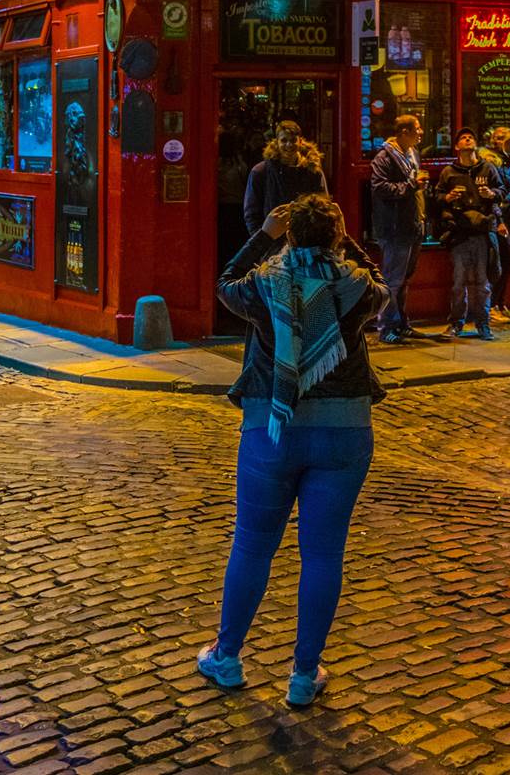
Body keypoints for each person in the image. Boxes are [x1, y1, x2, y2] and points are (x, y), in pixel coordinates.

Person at [198, 192, 387, 708]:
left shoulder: (264, 284)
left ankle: (227, 656)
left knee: (252, 545)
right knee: (323, 554)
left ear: (290, 234)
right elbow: (383, 283)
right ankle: (304, 675)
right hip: (345, 431)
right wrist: (344, 238)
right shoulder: (355, 287)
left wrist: (264, 236)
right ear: (336, 236)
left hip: (271, 429)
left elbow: (223, 284)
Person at [434, 129, 499, 339]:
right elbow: (437, 196)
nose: (468, 139)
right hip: (460, 231)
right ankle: (456, 323)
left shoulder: (487, 168)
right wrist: (448, 197)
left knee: (482, 282)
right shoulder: (449, 172)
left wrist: (491, 194)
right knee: (459, 282)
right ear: (457, 147)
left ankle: (483, 323)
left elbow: (503, 190)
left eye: (471, 137)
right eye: (462, 138)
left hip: (481, 231)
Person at [370, 114, 426, 344]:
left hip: (413, 224)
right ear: (404, 132)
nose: (421, 132)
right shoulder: (384, 158)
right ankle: (387, 326)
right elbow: (380, 187)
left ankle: (402, 323)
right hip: (394, 228)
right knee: (393, 279)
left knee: (404, 279)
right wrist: (411, 185)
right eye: (417, 128)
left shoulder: (412, 154)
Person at [242, 121, 328, 237]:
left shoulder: (313, 171)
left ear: (300, 141)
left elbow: (323, 208)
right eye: (284, 140)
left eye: (293, 140)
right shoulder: (260, 172)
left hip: (305, 241)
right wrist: (262, 241)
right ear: (276, 142)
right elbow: (252, 213)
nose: (289, 144)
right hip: (273, 240)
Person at [487, 126, 510, 321]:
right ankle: (492, 305)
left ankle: (500, 304)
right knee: (505, 261)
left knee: (507, 262)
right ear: (499, 142)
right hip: (501, 217)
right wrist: (499, 220)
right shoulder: (493, 164)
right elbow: (494, 195)